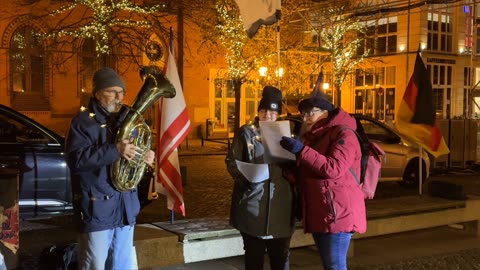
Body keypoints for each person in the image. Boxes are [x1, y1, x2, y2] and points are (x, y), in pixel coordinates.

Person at [65, 67, 155, 269]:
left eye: (121, 92)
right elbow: (75, 159)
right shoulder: (82, 122)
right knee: (95, 264)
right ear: (97, 94)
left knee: (123, 264)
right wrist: (115, 150)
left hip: (125, 207)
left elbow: (132, 153)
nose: (119, 97)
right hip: (97, 207)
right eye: (112, 92)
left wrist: (144, 156)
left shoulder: (127, 120)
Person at [279, 95, 366, 270]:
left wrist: (302, 150)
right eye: (303, 114)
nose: (305, 118)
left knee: (335, 266)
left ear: (326, 112)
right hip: (322, 212)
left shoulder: (345, 134)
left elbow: (333, 168)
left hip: (337, 213)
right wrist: (292, 170)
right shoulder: (315, 137)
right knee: (330, 265)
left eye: (310, 113)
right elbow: (312, 172)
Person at [226, 86, 295, 270]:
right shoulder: (246, 132)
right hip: (252, 206)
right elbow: (232, 162)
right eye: (264, 111)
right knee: (253, 260)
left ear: (278, 113)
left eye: (273, 112)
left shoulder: (288, 134)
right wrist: (246, 178)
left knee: (280, 260)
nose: (268, 116)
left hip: (281, 207)